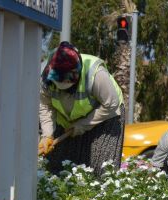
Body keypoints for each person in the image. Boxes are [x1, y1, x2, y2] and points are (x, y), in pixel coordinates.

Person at [38, 42, 124, 176]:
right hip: (67, 120)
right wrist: (47, 134)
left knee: (101, 170)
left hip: (106, 115)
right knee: (58, 168)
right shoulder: (46, 75)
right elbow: (45, 105)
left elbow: (111, 104)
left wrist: (82, 125)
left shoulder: (96, 73)